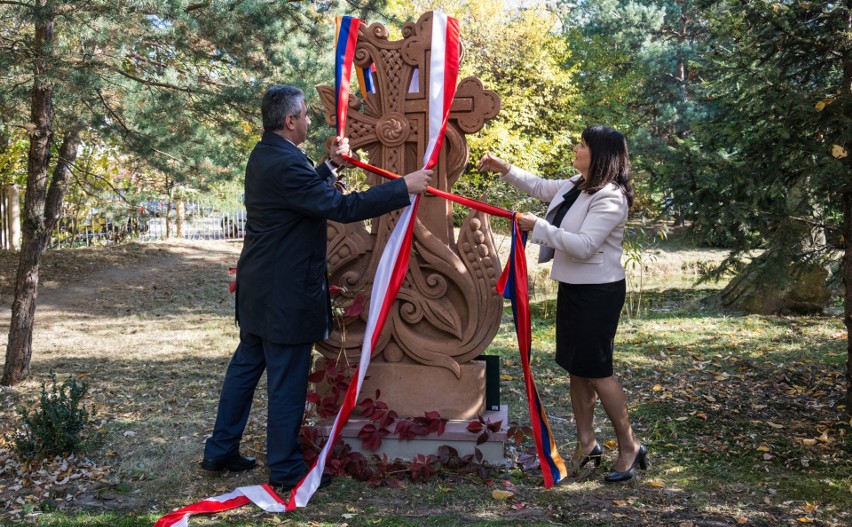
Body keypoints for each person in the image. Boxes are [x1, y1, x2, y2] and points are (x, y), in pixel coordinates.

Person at [200, 84, 432, 492]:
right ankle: (287, 469)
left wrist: (331, 165)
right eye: (305, 114)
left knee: (245, 369)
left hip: (260, 288)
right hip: (283, 294)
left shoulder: (267, 153)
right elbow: (340, 208)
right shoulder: (285, 163)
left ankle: (220, 450)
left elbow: (303, 193)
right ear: (290, 121)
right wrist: (402, 187)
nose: (310, 120)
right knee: (287, 380)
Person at [477, 125, 646, 483]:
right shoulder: (577, 185)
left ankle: (629, 445)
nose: (576, 147)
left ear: (600, 155)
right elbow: (540, 186)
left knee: (598, 371)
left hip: (599, 293)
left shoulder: (610, 197)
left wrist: (536, 226)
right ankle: (588, 444)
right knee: (576, 367)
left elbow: (584, 245)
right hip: (573, 287)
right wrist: (503, 167)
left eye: (583, 145)